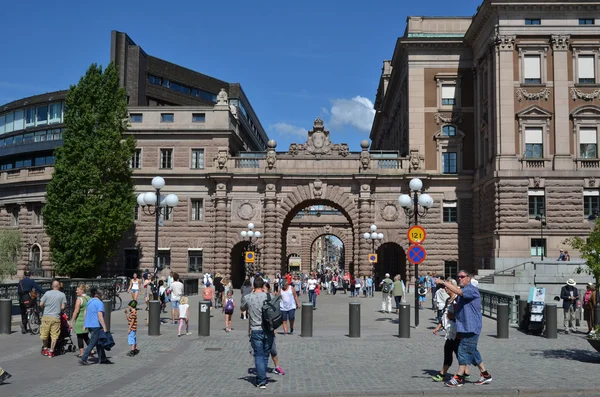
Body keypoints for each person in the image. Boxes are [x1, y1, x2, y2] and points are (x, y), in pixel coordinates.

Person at [436, 270, 492, 387]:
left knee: (462, 350)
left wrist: (444, 282)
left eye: (462, 276)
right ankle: (485, 374)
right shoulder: (464, 291)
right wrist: (454, 316)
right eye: (458, 277)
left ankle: (459, 377)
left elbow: (458, 291)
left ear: (469, 278)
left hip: (471, 327)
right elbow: (464, 311)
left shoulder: (471, 289)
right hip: (464, 327)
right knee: (472, 352)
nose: (460, 278)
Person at [431, 279, 471, 382]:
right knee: (458, 351)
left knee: (449, 349)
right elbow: (445, 315)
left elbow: (463, 315)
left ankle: (442, 374)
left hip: (458, 330)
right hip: (450, 330)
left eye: (447, 286)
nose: (445, 288)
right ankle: (466, 371)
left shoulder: (458, 300)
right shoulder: (448, 299)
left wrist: (453, 315)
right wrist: (438, 326)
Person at [241, 277, 274, 389]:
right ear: (263, 285)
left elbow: (242, 308)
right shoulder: (269, 296)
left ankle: (261, 381)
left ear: (253, 286)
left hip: (255, 329)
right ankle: (262, 377)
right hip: (268, 329)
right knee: (265, 355)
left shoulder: (248, 297)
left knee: (258, 355)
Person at [79, 288, 111, 365]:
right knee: (93, 342)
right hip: (96, 325)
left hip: (89, 325)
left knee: (98, 342)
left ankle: (103, 358)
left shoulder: (89, 301)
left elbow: (85, 313)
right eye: (103, 295)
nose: (103, 296)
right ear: (100, 295)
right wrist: (104, 327)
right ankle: (84, 358)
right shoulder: (99, 303)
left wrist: (84, 324)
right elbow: (100, 316)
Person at [39, 280, 67, 358]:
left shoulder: (47, 293)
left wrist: (44, 308)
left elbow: (41, 304)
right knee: (54, 335)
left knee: (44, 334)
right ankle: (51, 351)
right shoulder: (62, 295)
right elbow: (63, 307)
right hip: (56, 317)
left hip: (46, 317)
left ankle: (45, 349)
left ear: (52, 286)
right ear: (58, 286)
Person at [69, 284, 90, 358]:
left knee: (80, 337)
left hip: (80, 320)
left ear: (82, 290)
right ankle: (91, 350)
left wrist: (71, 321)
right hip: (87, 320)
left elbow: (76, 311)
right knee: (86, 336)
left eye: (77, 290)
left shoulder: (79, 299)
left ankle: (82, 352)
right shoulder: (88, 298)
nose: (76, 291)